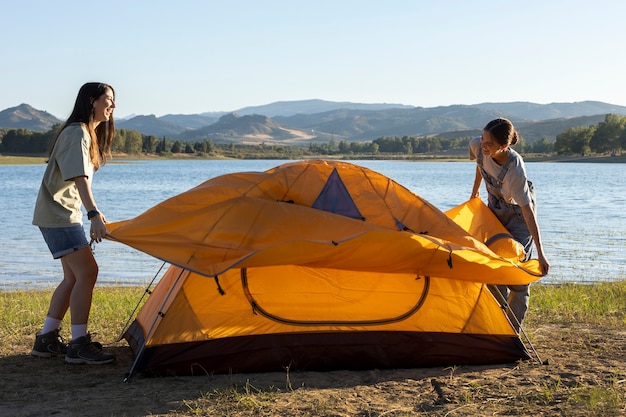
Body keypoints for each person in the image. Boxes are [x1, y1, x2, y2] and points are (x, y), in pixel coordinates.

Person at [31, 82, 116, 364]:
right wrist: (93, 213)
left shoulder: (83, 133)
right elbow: (79, 178)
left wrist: (90, 213)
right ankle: (78, 344)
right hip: (60, 216)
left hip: (60, 215)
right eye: (109, 100)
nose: (112, 106)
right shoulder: (77, 132)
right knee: (88, 273)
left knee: (73, 277)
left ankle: (46, 339)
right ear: (92, 101)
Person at [469, 117, 550, 330]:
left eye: (490, 144)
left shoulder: (515, 169)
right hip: (495, 210)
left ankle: (512, 332)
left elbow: (528, 212)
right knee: (492, 267)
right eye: (483, 139)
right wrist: (474, 191)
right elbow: (480, 163)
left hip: (518, 215)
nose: (483, 146)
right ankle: (497, 325)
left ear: (504, 146)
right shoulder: (477, 145)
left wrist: (541, 253)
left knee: (517, 273)